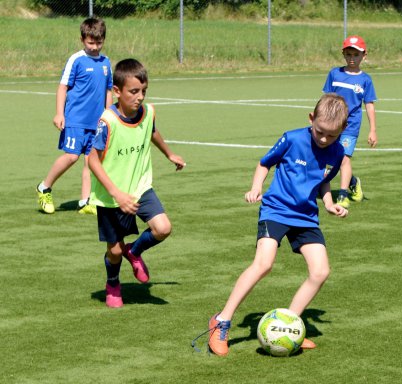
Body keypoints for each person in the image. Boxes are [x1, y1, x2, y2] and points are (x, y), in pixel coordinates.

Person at [207, 93, 350, 356]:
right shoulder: (293, 138)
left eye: (331, 135)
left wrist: (329, 203)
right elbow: (264, 164)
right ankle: (221, 321)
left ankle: (289, 325)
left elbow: (323, 181)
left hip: (306, 216)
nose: (323, 139)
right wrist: (255, 187)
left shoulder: (338, 151)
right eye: (320, 132)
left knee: (320, 272)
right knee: (264, 264)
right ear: (311, 119)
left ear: (342, 131)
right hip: (275, 210)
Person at [87, 58, 186, 308]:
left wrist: (169, 153)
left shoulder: (149, 111)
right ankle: (113, 282)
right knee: (115, 251)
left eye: (144, 91)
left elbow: (151, 131)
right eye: (133, 92)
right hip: (112, 196)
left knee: (163, 228)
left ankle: (136, 251)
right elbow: (92, 161)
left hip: (140, 187)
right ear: (117, 92)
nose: (140, 97)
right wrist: (116, 193)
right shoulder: (107, 121)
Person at [37, 17, 113, 215]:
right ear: (82, 40)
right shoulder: (76, 59)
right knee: (71, 157)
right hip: (75, 119)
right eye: (91, 42)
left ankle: (85, 201)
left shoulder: (106, 62)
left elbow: (108, 90)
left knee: (90, 161)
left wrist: (109, 115)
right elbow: (63, 87)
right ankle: (44, 187)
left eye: (99, 42)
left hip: (96, 122)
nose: (95, 47)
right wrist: (59, 113)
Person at [322, 35, 378, 209]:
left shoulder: (365, 80)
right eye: (349, 54)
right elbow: (327, 98)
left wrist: (372, 130)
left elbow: (369, 104)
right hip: (332, 124)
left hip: (350, 125)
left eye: (356, 55)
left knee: (344, 158)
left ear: (364, 55)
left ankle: (343, 194)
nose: (352, 58)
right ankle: (353, 183)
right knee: (331, 158)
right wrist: (321, 120)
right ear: (343, 54)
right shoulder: (334, 74)